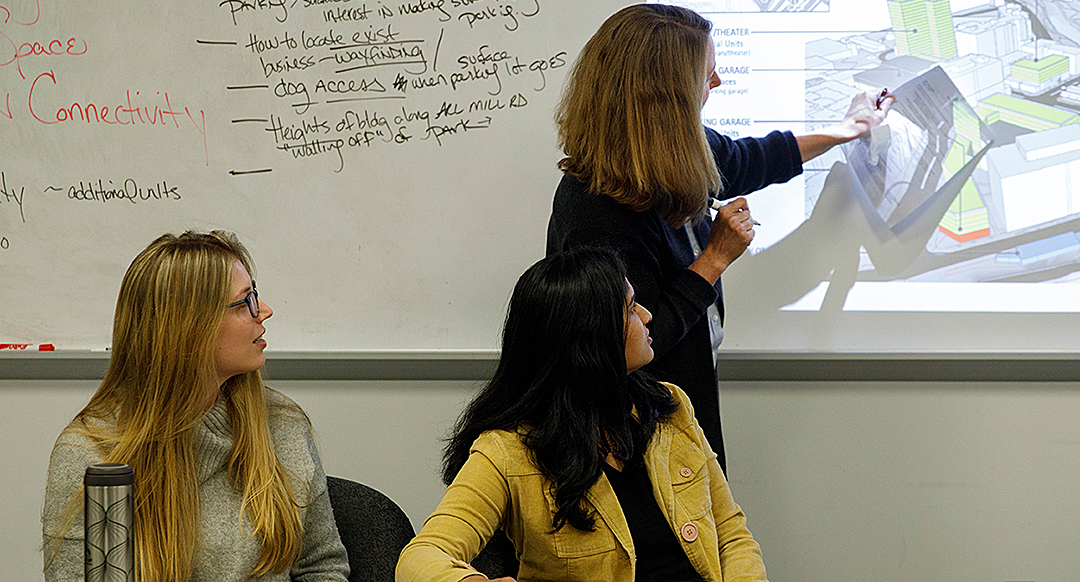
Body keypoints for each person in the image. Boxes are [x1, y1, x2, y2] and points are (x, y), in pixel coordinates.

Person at [546, 3, 892, 469]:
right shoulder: (597, 210)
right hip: (635, 438)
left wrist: (844, 131)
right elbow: (635, 344)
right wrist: (714, 259)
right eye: (705, 75)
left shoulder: (676, 150)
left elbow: (748, 160)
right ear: (665, 95)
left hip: (682, 410)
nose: (716, 84)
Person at [396, 247, 768, 582]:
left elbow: (730, 535)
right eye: (630, 307)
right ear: (590, 337)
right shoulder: (507, 450)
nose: (647, 315)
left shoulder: (669, 406)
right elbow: (422, 556)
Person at [42, 231, 349, 582]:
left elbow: (323, 568)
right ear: (191, 328)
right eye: (245, 301)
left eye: (256, 295)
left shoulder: (283, 425)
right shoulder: (91, 454)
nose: (264, 311)